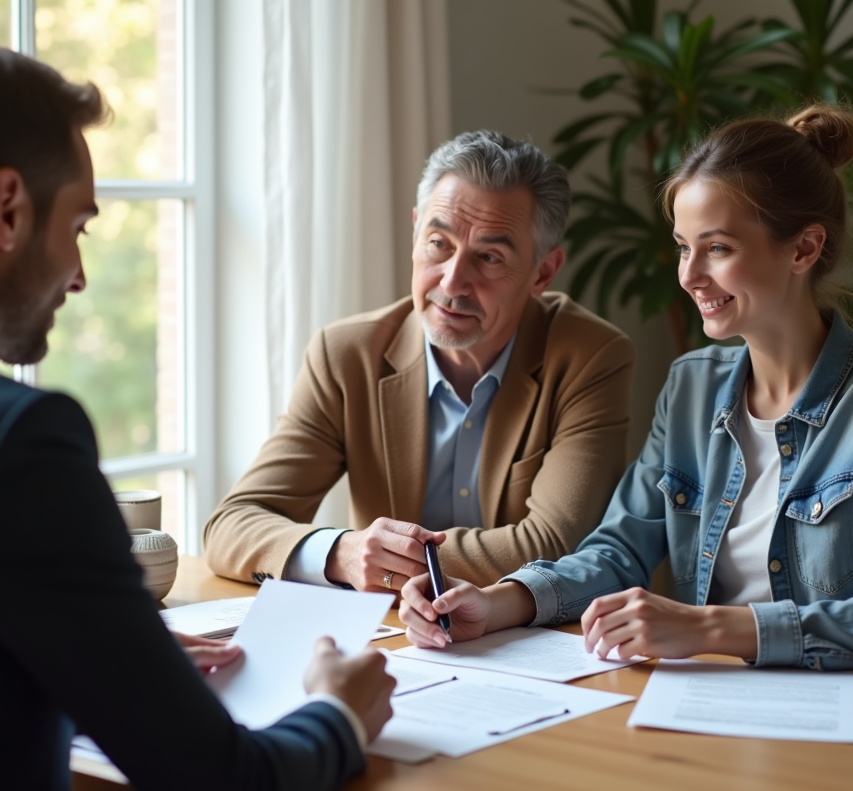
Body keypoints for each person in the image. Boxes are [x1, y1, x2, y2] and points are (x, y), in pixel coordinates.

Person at [0, 40, 393, 791]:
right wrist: (338, 712)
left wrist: (102, 654)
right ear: (6, 208)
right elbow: (222, 784)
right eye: (78, 226)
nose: (78, 276)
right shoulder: (9, 442)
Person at [399, 106, 853, 671]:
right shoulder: (692, 387)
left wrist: (709, 628)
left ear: (804, 248)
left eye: (718, 248)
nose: (689, 274)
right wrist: (498, 602)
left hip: (852, 722)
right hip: (711, 708)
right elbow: (620, 549)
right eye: (683, 246)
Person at [203, 131, 636, 593]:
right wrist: (342, 553)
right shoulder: (347, 355)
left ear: (542, 272)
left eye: (489, 257)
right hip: (395, 640)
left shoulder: (590, 356)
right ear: (415, 232)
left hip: (536, 642)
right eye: (438, 242)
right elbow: (232, 525)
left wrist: (387, 562)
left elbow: (554, 545)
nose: (453, 281)